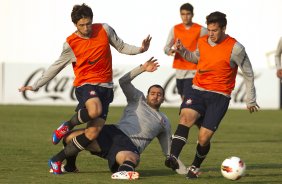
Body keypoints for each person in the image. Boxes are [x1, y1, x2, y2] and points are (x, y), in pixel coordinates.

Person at [18, 3, 151, 165]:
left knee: (92, 133)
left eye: (88, 23)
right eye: (82, 25)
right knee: (95, 110)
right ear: (75, 24)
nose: (86, 28)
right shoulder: (70, 44)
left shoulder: (104, 29)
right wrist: (36, 85)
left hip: (106, 88)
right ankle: (67, 125)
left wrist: (141, 49)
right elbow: (56, 66)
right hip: (86, 85)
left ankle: (56, 160)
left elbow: (121, 46)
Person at [49, 57, 188, 179]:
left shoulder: (164, 121)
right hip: (112, 133)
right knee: (69, 137)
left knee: (132, 158)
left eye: (159, 94)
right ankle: (70, 166)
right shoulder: (137, 99)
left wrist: (182, 169)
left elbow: (168, 150)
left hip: (130, 145)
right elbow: (123, 81)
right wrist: (142, 68)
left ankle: (124, 173)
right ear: (147, 95)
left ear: (163, 98)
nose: (155, 96)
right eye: (152, 93)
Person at [164, 11, 260, 179]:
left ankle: (194, 166)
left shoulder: (236, 48)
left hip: (219, 96)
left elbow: (248, 73)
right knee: (185, 118)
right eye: (209, 30)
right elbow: (196, 59)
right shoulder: (202, 41)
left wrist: (250, 98)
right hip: (197, 89)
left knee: (203, 138)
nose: (211, 34)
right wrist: (183, 51)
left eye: (214, 30)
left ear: (223, 28)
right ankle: (172, 157)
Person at [164, 3, 207, 100]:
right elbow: (166, 47)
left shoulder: (201, 30)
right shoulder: (175, 29)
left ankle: (188, 114)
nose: (185, 17)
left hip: (194, 69)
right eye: (183, 14)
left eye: (188, 14)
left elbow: (209, 46)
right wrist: (170, 51)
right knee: (183, 96)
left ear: (192, 14)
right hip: (179, 68)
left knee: (189, 97)